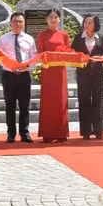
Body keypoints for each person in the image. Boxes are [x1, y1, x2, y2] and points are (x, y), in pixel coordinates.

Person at [0, 12, 36, 143]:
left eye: (20, 21)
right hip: (9, 75)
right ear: (10, 23)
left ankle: (25, 133)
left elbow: (33, 56)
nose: (18, 24)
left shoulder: (29, 39)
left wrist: (28, 66)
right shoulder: (3, 38)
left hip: (24, 75)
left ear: (24, 23)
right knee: (10, 105)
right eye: (15, 21)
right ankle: (11, 134)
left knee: (24, 105)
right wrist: (8, 65)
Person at [36, 8, 71, 143]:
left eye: (55, 17)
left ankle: (61, 132)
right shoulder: (42, 35)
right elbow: (40, 53)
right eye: (50, 17)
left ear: (59, 19)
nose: (53, 19)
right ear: (46, 19)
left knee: (61, 101)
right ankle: (48, 133)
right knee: (49, 101)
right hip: (48, 71)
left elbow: (68, 53)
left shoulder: (64, 35)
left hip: (60, 72)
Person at [71, 14, 103, 140]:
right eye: (85, 22)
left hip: (97, 73)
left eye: (90, 22)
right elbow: (73, 53)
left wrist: (98, 59)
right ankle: (86, 131)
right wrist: (81, 59)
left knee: (98, 100)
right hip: (82, 73)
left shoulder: (101, 38)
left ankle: (98, 131)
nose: (87, 25)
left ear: (95, 24)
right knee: (84, 100)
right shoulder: (78, 38)